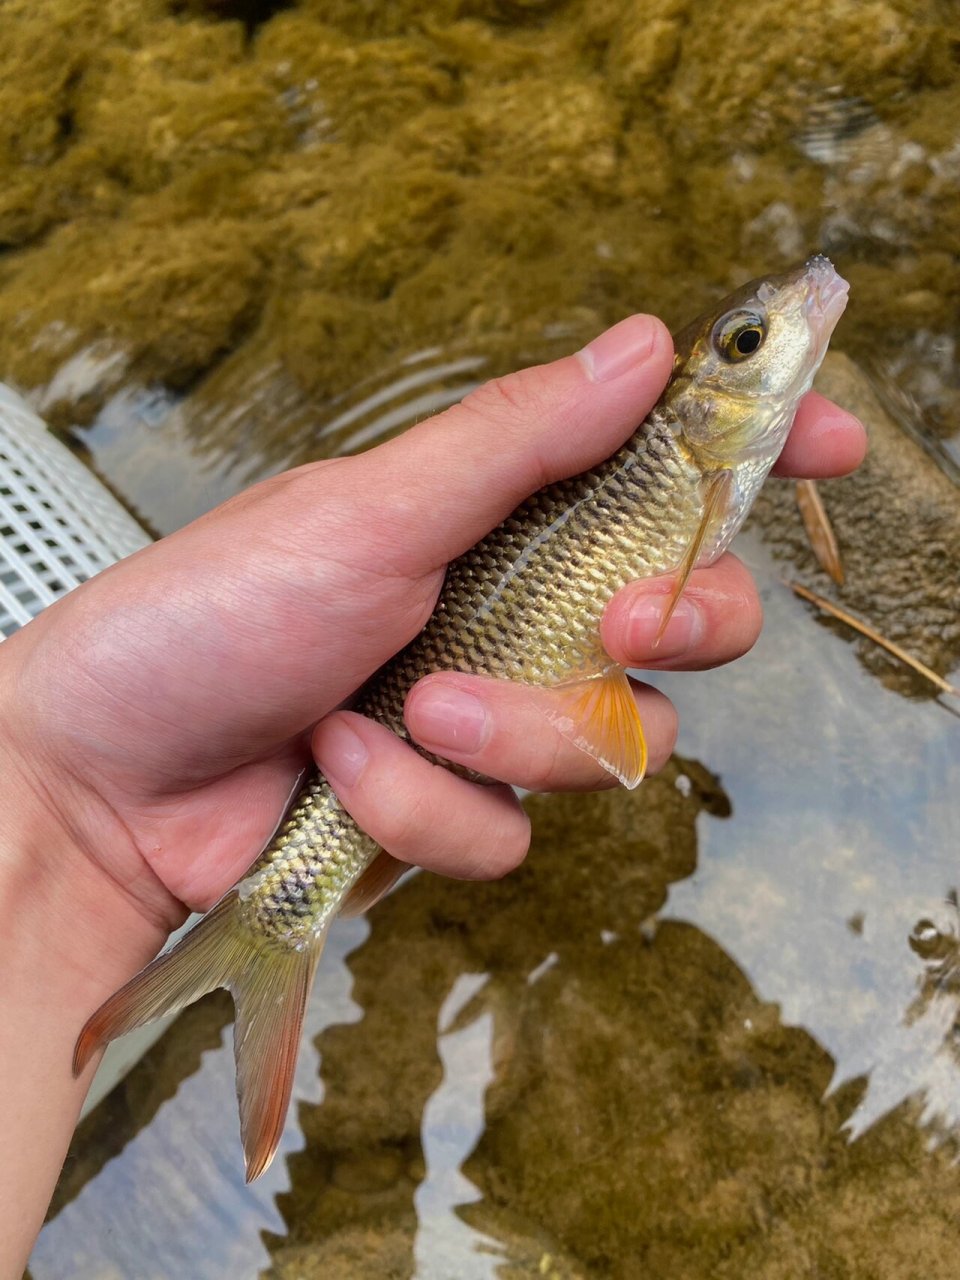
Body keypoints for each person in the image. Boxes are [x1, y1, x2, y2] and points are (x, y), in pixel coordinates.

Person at [0, 313, 865, 1273]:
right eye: (746, 343)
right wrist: (49, 797)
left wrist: (52, 805)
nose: (785, 327)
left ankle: (260, 923)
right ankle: (272, 925)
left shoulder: (727, 443)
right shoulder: (679, 444)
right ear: (701, 395)